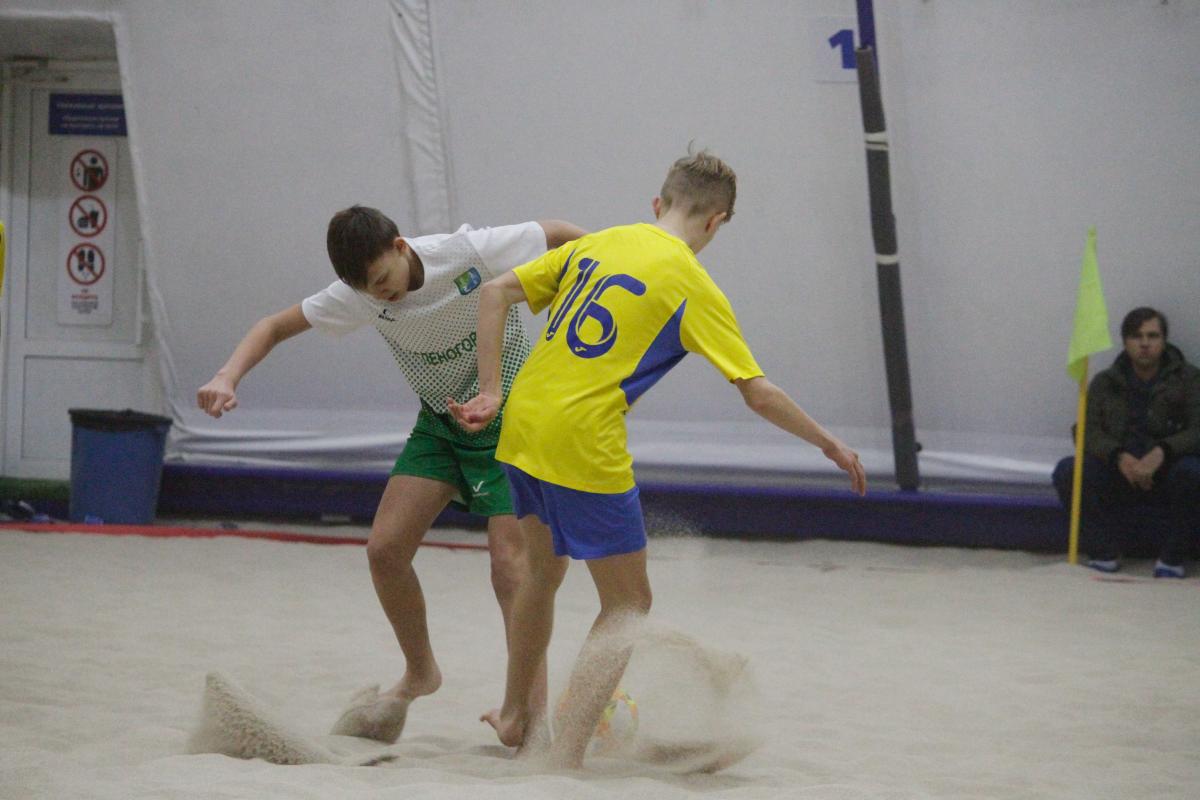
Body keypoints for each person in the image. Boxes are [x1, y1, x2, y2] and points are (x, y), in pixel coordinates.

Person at [449, 150, 867, 767]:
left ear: (657, 204)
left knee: (542, 574)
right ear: (716, 222)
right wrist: (828, 442)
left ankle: (515, 713)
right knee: (628, 605)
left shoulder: (599, 243)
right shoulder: (691, 282)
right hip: (582, 437)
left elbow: (495, 292)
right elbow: (757, 392)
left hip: (523, 421)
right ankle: (565, 755)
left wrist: (490, 390)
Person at [197, 206, 586, 740]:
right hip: (441, 425)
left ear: (401, 246)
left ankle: (527, 713)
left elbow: (558, 232)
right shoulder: (360, 294)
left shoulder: (465, 253)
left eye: (383, 279)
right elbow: (274, 326)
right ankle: (421, 672)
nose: (381, 295)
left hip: (511, 421)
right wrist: (227, 376)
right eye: (367, 289)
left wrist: (624, 261)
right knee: (384, 551)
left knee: (510, 569)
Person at [1052, 307, 1200, 578]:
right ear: (1125, 342)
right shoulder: (1104, 382)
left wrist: (1163, 451)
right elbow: (1086, 432)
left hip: (1169, 474)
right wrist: (1118, 456)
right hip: (1120, 473)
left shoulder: (1190, 379)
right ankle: (1103, 554)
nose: (1144, 343)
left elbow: (1197, 430)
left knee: (1193, 473)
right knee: (1069, 470)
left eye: (1152, 336)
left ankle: (1172, 559)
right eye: (1136, 336)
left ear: (1164, 340)